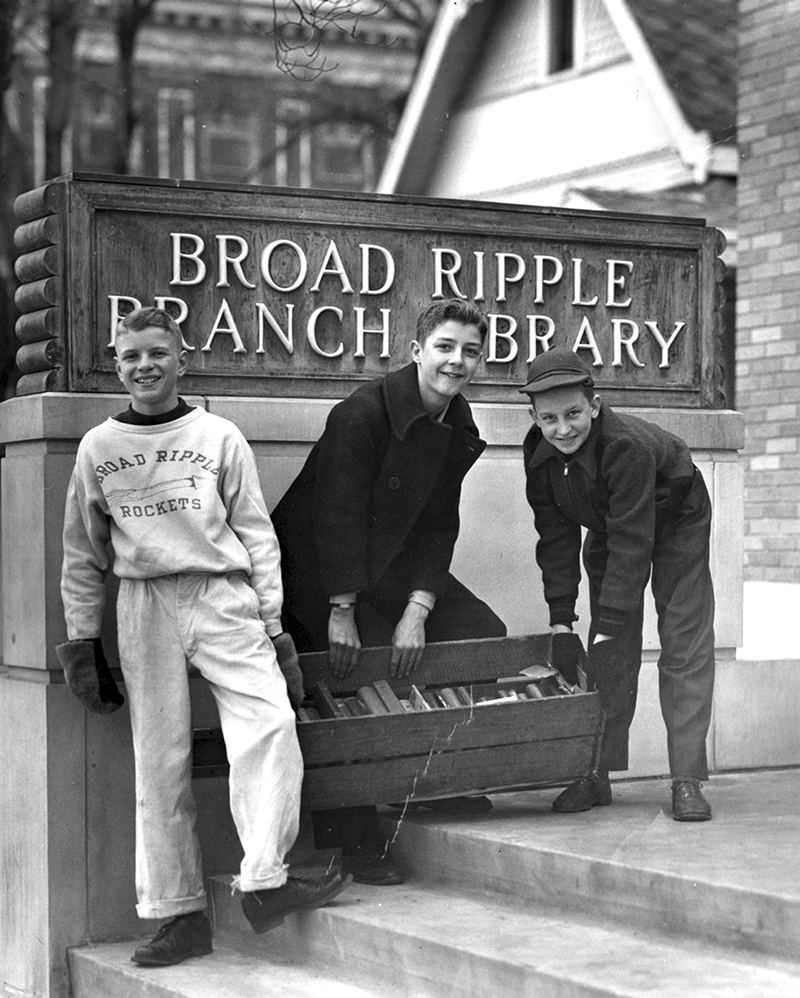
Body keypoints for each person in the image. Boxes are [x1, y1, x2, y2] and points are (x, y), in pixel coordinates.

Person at [57, 306, 351, 968]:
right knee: (158, 761)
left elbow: (256, 534)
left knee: (270, 724)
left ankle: (265, 880)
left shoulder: (219, 435)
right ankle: (178, 914)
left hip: (222, 596)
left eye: (157, 353)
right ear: (116, 362)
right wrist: (82, 641)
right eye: (131, 356)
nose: (144, 366)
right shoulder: (99, 449)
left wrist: (272, 625)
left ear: (181, 359)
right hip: (145, 603)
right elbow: (82, 553)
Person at [271, 298, 507, 884]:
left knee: (479, 631)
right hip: (315, 572)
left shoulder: (459, 420)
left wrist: (419, 608)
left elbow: (438, 523)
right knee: (356, 670)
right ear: (416, 352)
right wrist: (341, 609)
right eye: (445, 347)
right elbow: (336, 516)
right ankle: (353, 839)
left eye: (470, 351)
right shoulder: (360, 413)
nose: (456, 361)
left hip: (392, 564)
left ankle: (424, 788)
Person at [520, 347, 715, 822]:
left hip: (677, 516)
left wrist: (609, 623)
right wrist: (561, 620)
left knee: (682, 641)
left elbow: (634, 543)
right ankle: (597, 772)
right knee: (608, 649)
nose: (562, 428)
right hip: (614, 525)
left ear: (595, 404)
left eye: (572, 414)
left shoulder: (623, 446)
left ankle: (686, 777)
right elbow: (556, 537)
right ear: (533, 417)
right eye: (548, 418)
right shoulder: (538, 450)